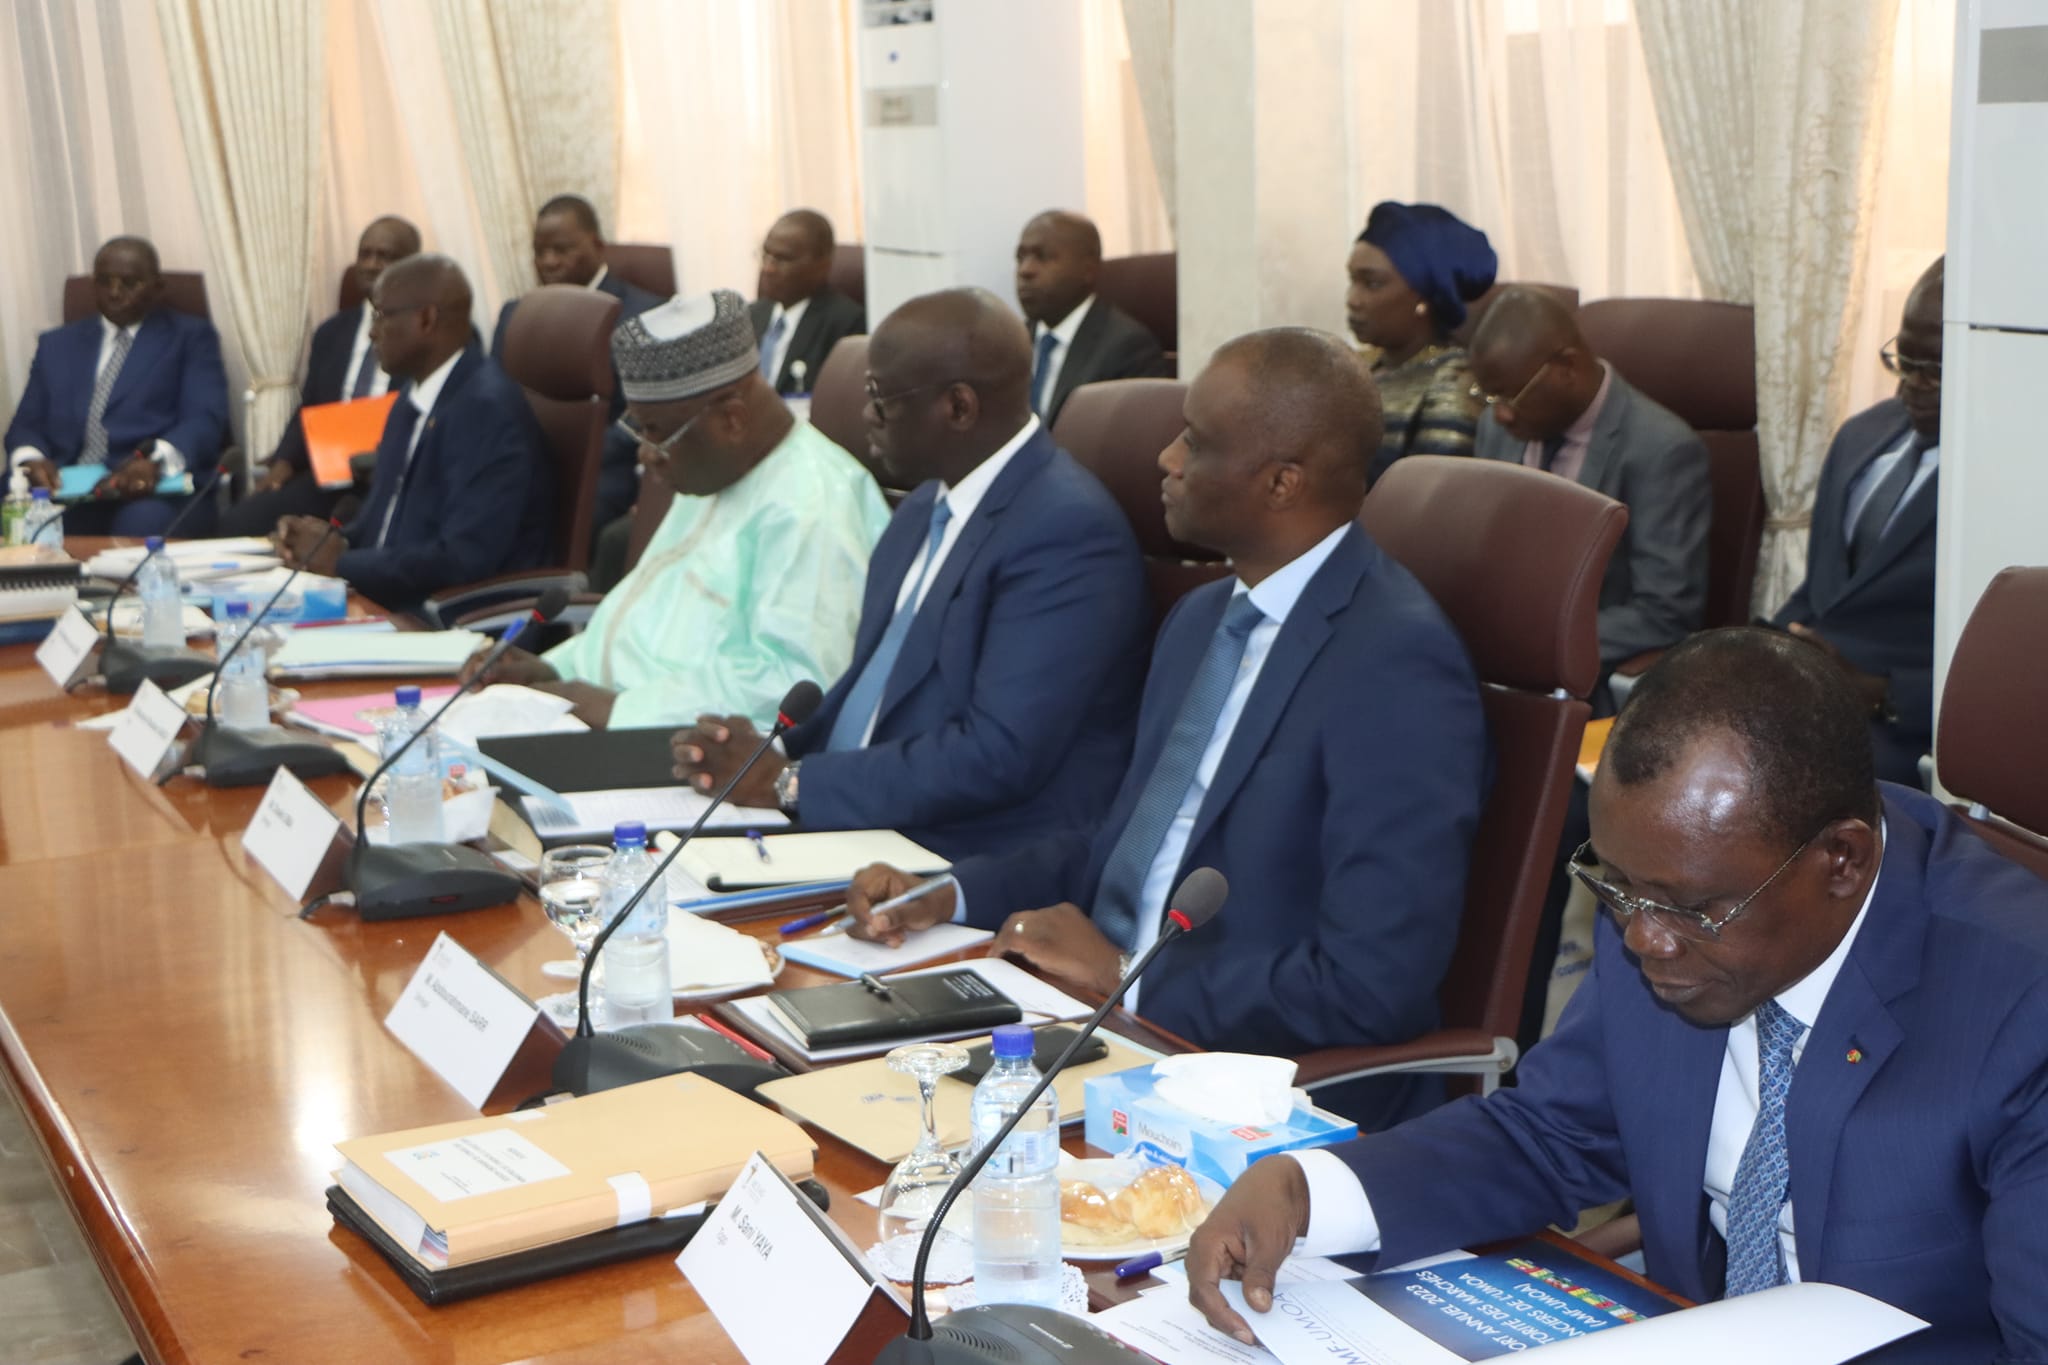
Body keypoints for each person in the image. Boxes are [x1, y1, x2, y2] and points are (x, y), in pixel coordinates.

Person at [1185, 628, 2048, 1365]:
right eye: (1620, 890)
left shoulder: (2022, 1007)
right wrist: (1308, 1189)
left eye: (1692, 908)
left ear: (1843, 861)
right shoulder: (1663, 891)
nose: (1644, 939)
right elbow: (1553, 1134)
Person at [836, 328, 1491, 1130]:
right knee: (852, 1087)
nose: (1166, 458)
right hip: (1095, 1023)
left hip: (1238, 1080)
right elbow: (1120, 845)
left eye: (1196, 441)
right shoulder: (1201, 618)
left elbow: (1369, 985)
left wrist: (1126, 975)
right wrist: (952, 890)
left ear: (1282, 482)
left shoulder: (1397, 666)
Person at [670, 288, 1149, 861]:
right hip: (851, 821)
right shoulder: (921, 509)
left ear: (959, 407)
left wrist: (792, 784)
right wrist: (755, 758)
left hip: (959, 852)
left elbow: (996, 756)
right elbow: (868, 695)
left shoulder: (1067, 534)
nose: (866, 415)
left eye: (880, 398)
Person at [465, 289, 890, 728]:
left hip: (680, 760)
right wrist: (557, 668)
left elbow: (795, 683)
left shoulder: (811, 506)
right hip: (609, 728)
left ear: (732, 420)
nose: (646, 456)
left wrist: (619, 711)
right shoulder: (712, 472)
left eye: (656, 432)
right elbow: (640, 628)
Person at [272, 255, 551, 613]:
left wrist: (340, 565)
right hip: (386, 598)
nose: (372, 332)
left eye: (381, 316)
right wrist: (319, 542)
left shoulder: (486, 411)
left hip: (448, 616)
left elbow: (462, 556)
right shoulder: (411, 397)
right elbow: (383, 525)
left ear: (426, 319)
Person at [1471, 287, 1710, 685]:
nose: (1501, 414)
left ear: (1567, 366)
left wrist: (1540, 641)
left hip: (1585, 679)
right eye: (1490, 396)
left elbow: (1665, 612)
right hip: (1489, 664)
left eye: (1513, 395)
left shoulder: (1661, 450)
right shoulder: (1498, 430)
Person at [1772, 258, 1945, 787]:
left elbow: (2015, 664)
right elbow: (1824, 591)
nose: (1911, 385)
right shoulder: (1860, 437)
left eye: (1935, 369)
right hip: (1806, 696)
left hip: (1901, 730)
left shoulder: (2013, 488)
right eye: (1904, 361)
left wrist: (1878, 693)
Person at [5, 235, 229, 537]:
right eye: (104, 281)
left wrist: (155, 461)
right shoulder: (57, 344)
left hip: (152, 489)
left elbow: (204, 419)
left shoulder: (189, 337)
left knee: (142, 525)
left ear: (157, 287)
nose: (114, 293)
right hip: (65, 486)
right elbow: (25, 424)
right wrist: (30, 458)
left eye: (129, 283)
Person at [219, 216, 421, 535]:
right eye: (364, 254)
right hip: (329, 475)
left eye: (384, 256)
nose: (370, 265)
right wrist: (285, 459)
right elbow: (310, 405)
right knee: (239, 522)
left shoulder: (427, 332)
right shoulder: (332, 332)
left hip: (392, 478)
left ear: (414, 267)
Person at [492, 194, 662, 531]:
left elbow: (643, 415)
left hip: (602, 468)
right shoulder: (516, 315)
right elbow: (494, 401)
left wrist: (572, 454)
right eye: (539, 252)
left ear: (598, 246)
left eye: (561, 249)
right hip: (519, 467)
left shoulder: (644, 314)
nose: (549, 262)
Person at [1346, 201, 1496, 483]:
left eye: (1372, 283)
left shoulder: (1452, 383)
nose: (1352, 299)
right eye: (1352, 280)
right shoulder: (1352, 365)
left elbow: (1430, 504)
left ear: (1424, 296)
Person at [1015, 210, 1167, 423]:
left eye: (1042, 256)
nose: (1025, 270)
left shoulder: (1128, 348)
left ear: (1088, 270)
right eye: (1021, 257)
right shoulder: (1011, 344)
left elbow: (1135, 441)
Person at [748, 209, 865, 397]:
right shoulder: (751, 315)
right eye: (766, 256)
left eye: (782, 259)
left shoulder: (847, 323)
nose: (768, 268)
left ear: (823, 266)